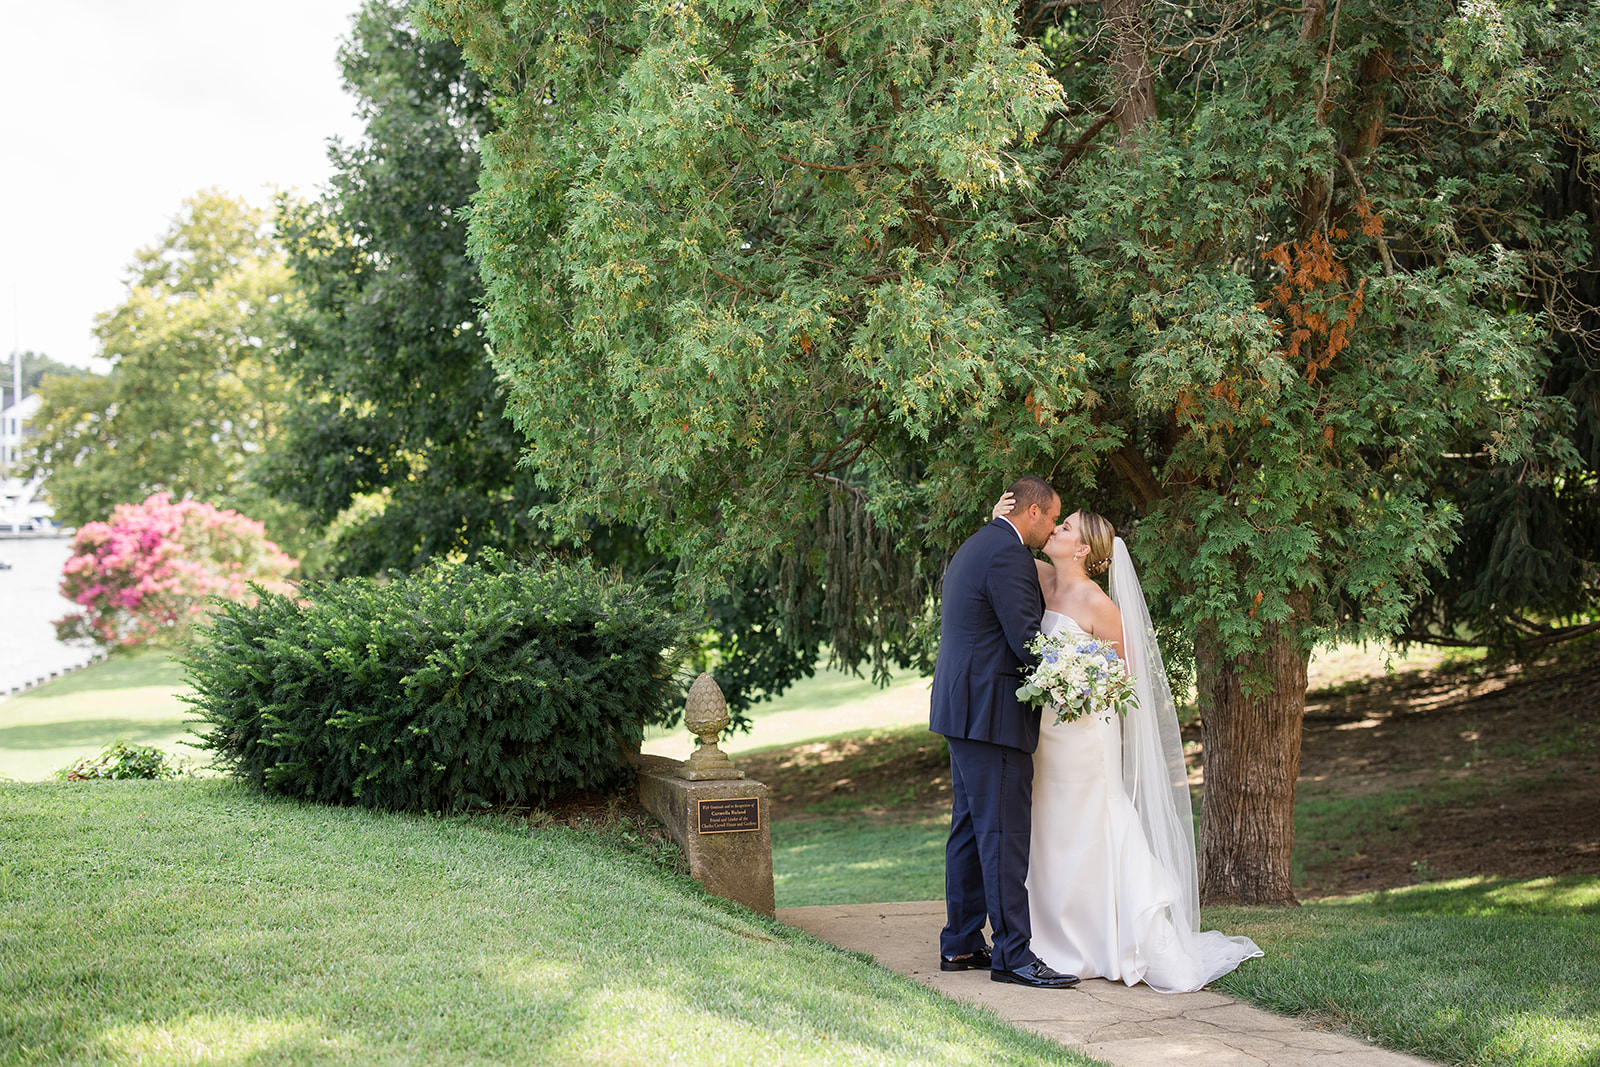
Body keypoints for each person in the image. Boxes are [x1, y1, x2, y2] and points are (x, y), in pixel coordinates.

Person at [993, 495, 1263, 992]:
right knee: (1046, 827)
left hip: (1083, 737)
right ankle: (1048, 938)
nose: (1054, 528)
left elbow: (1126, 679)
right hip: (1044, 735)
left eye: (1066, 527)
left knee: (1088, 824)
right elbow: (1007, 547)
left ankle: (1105, 937)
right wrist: (998, 519)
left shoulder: (1101, 606)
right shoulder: (1040, 577)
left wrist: (1078, 684)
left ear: (1083, 549)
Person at [929, 475, 1080, 989]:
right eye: (1053, 517)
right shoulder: (1009, 554)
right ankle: (1014, 955)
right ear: (1033, 512)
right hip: (992, 716)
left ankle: (962, 944)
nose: (1054, 527)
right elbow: (1026, 639)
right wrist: (1077, 676)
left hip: (963, 711)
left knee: (971, 830)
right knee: (1004, 835)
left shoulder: (981, 543)